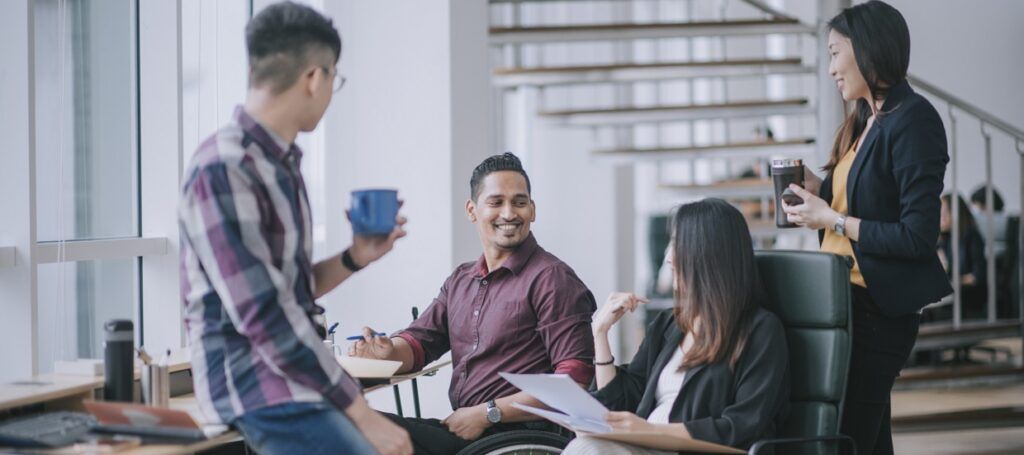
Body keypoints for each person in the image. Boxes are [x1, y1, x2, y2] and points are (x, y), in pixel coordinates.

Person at [178, 3, 412, 454]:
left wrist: (354, 257)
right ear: (314, 77)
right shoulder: (224, 167)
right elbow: (265, 315)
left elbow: (290, 291)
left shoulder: (279, 165)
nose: (330, 91)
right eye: (334, 80)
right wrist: (361, 414)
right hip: (258, 386)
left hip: (291, 381)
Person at [780, 2, 951, 453]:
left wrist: (832, 218)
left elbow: (918, 236)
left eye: (836, 52)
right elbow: (862, 200)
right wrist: (820, 191)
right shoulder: (865, 121)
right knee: (866, 436)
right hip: (844, 300)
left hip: (877, 312)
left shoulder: (915, 119)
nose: (831, 67)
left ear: (868, 49)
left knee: (848, 434)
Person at [349, 152, 597, 455]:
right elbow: (420, 343)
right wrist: (388, 351)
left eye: (519, 202)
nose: (509, 213)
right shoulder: (461, 280)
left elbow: (573, 383)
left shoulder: (552, 279)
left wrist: (488, 413)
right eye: (496, 202)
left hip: (514, 437)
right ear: (472, 209)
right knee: (350, 421)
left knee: (358, 427)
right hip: (468, 431)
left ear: (532, 210)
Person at [562, 198, 789, 454]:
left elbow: (741, 425)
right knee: (584, 446)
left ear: (708, 254)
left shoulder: (761, 331)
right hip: (646, 446)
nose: (669, 258)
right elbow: (621, 403)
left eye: (678, 244)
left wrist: (648, 431)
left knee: (586, 450)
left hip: (697, 450)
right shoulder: (669, 324)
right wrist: (600, 334)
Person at [938, 193, 988, 319]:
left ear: (956, 213)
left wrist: (952, 282)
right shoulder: (945, 239)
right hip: (955, 289)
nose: (939, 217)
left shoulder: (972, 236)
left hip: (972, 292)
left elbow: (978, 276)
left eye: (943, 213)